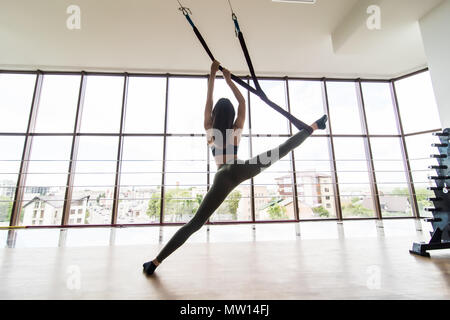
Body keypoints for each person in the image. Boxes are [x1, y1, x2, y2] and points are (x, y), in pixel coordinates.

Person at [143, 60, 328, 275]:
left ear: (213, 115)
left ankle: (155, 263)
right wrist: (229, 81)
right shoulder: (236, 127)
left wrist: (212, 75)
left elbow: (209, 98)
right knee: (281, 150)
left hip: (223, 175)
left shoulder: (209, 128)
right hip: (240, 168)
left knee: (194, 223)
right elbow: (242, 104)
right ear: (231, 116)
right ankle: (315, 126)